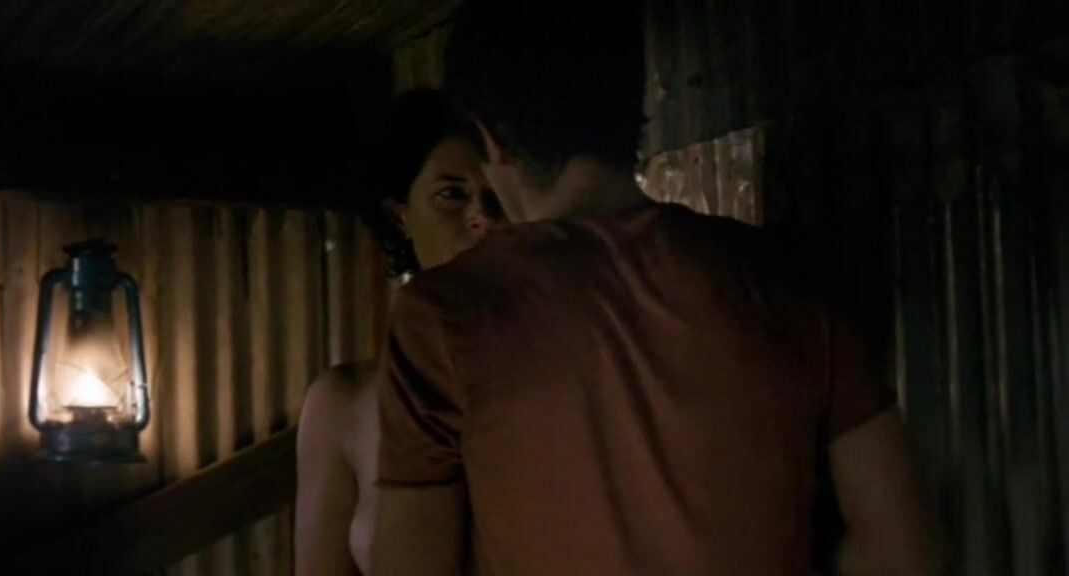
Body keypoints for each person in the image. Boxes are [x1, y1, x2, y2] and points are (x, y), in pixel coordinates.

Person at [370, 2, 948, 575]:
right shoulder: (791, 279)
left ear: (491, 140)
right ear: (631, 108)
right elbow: (905, 556)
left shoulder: (443, 315)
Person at [294, 89, 498, 576]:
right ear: (400, 214)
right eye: (452, 194)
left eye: (498, 198)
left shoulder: (560, 378)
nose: (482, 218)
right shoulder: (343, 403)